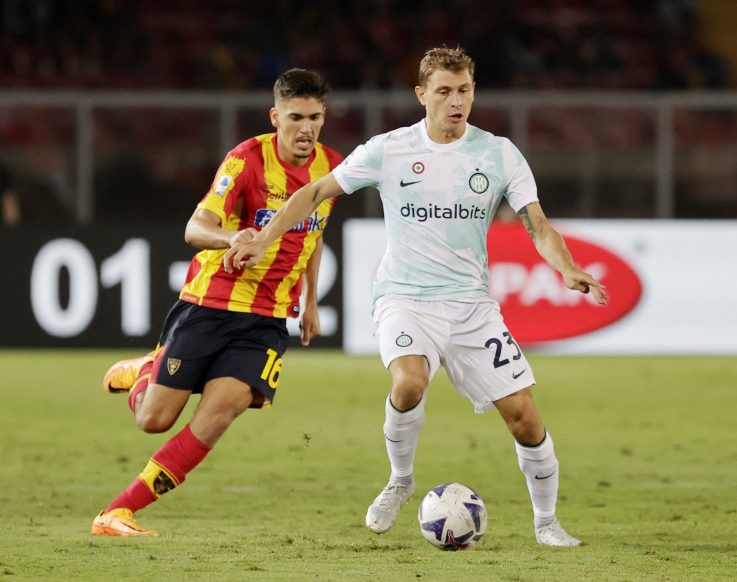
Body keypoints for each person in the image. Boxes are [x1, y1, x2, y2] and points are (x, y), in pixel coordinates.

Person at [224, 47, 608, 547]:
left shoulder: (499, 153)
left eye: (465, 90)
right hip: (405, 297)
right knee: (408, 383)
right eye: (444, 91)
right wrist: (264, 236)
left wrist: (566, 268)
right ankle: (400, 480)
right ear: (421, 94)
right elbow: (316, 192)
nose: (456, 101)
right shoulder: (389, 149)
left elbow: (538, 226)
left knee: (524, 418)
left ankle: (547, 523)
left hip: (471, 306)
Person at [91, 68, 344, 537]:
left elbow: (314, 234)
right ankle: (148, 366)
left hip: (268, 319)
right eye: (295, 117)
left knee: (219, 413)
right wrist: (234, 236)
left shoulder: (333, 167)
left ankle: (117, 512)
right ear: (276, 116)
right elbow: (195, 228)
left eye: (314, 117)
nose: (306, 128)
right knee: (153, 419)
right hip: (212, 303)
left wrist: (309, 301)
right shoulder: (245, 160)